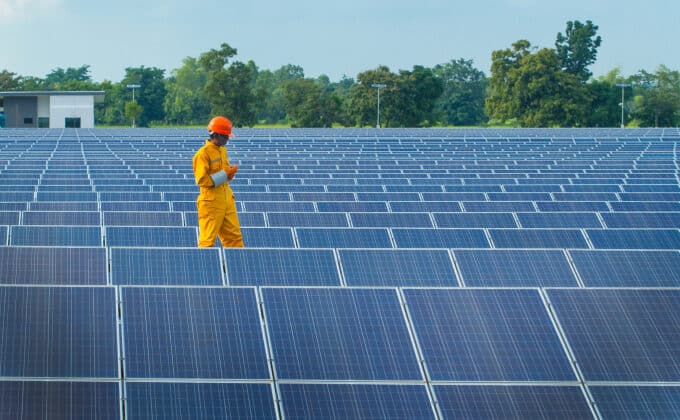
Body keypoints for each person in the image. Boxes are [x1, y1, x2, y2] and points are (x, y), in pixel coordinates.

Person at [192, 116, 244, 247]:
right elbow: (201, 180)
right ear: (215, 135)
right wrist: (223, 175)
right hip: (211, 203)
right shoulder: (202, 154)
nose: (227, 139)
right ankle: (207, 266)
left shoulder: (223, 150)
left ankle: (237, 266)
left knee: (235, 239)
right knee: (207, 241)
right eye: (225, 136)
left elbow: (223, 173)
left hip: (227, 199)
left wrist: (229, 174)